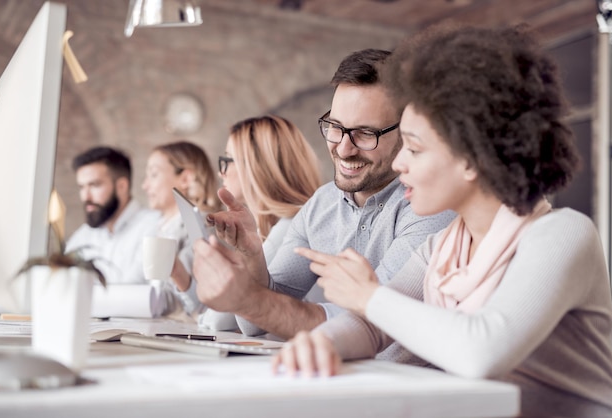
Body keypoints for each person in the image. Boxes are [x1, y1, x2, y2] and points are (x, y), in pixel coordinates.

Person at [274, 25, 612, 417]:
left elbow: (482, 351)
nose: (400, 163)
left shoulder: (562, 234)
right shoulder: (442, 246)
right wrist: (319, 344)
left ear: (471, 158)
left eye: (416, 149)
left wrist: (369, 296)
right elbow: (371, 328)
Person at [191, 49, 455, 348]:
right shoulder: (322, 202)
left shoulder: (428, 206)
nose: (343, 149)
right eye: (336, 127)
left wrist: (248, 299)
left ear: (407, 133)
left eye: (365, 133)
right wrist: (252, 255)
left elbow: (368, 321)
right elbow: (254, 325)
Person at [198, 115, 322, 330]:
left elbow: (224, 321)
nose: (221, 172)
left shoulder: (292, 224)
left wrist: (202, 317)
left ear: (256, 167)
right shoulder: (276, 224)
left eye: (227, 160)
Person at [142, 140, 221, 315]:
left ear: (185, 179)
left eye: (154, 174)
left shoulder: (201, 225)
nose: (145, 185)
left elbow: (191, 302)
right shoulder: (157, 226)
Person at [66, 146, 159, 284]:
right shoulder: (82, 237)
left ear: (122, 186)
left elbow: (137, 291)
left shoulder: (154, 227)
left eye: (95, 185)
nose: (86, 197)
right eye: (81, 187)